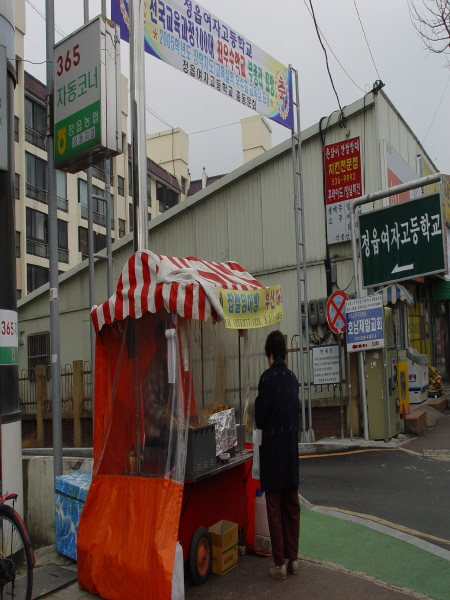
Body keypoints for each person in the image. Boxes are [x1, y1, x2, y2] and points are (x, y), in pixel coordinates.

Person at [255, 330, 300, 580]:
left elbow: (260, 419)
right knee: (292, 506)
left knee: (274, 507)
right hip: (291, 453)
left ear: (270, 354)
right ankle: (294, 561)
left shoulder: (266, 379)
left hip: (273, 453)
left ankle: (280, 564)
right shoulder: (292, 378)